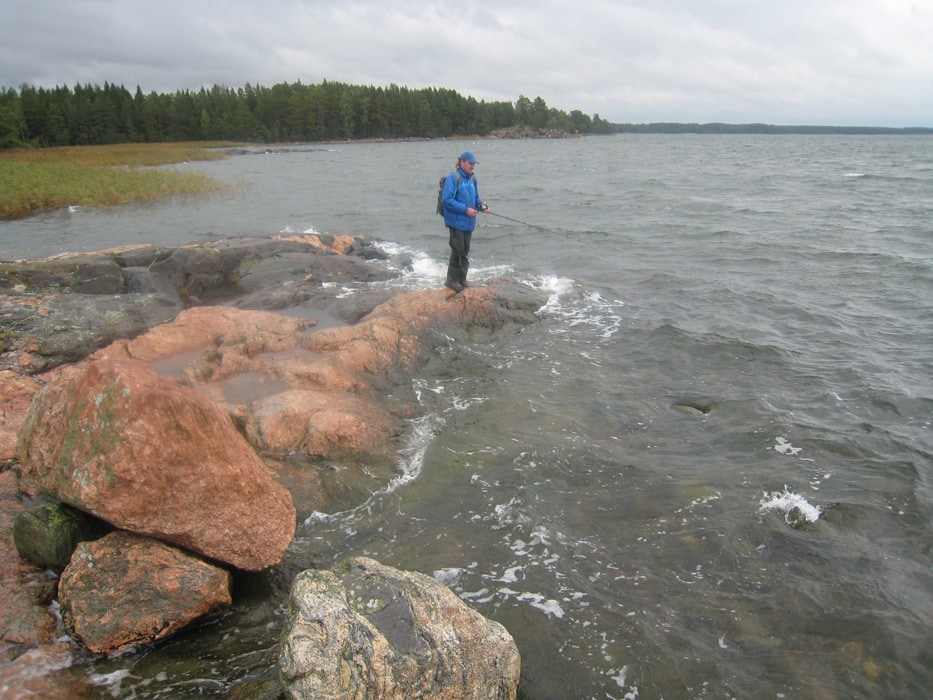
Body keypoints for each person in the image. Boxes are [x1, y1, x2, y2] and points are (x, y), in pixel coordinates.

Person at [441, 151, 488, 292]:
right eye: (470, 163)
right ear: (462, 162)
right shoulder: (453, 178)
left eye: (474, 164)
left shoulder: (472, 180)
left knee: (465, 250)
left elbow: (476, 198)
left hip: (468, 223)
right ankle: (451, 280)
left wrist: (481, 205)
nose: (473, 166)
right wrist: (465, 209)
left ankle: (462, 279)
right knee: (457, 249)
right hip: (456, 222)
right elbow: (447, 200)